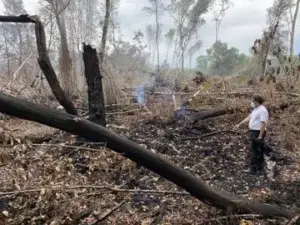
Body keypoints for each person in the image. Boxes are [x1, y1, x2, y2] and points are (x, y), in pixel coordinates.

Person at [235, 95, 269, 175]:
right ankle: (256, 168)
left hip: (258, 132)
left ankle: (256, 169)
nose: (251, 102)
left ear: (257, 101)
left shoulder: (263, 110)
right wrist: (239, 124)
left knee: (256, 150)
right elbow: (248, 117)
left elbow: (263, 123)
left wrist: (260, 136)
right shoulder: (256, 109)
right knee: (255, 150)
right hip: (254, 132)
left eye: (252, 101)